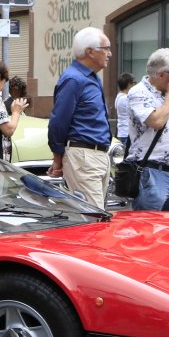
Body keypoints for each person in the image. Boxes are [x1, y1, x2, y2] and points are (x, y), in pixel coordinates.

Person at [47, 27, 114, 208]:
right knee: (94, 215)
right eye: (106, 48)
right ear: (90, 52)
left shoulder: (91, 78)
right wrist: (57, 158)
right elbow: (58, 122)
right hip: (83, 156)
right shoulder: (74, 79)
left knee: (96, 213)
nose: (110, 54)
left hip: (97, 155)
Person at [123, 49, 169, 212]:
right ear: (161, 74)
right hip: (152, 172)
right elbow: (157, 121)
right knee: (149, 224)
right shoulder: (139, 92)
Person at [114, 73, 135, 145]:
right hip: (127, 133)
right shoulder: (125, 98)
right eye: (134, 82)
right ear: (129, 84)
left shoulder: (119, 96)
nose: (135, 85)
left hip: (123, 132)